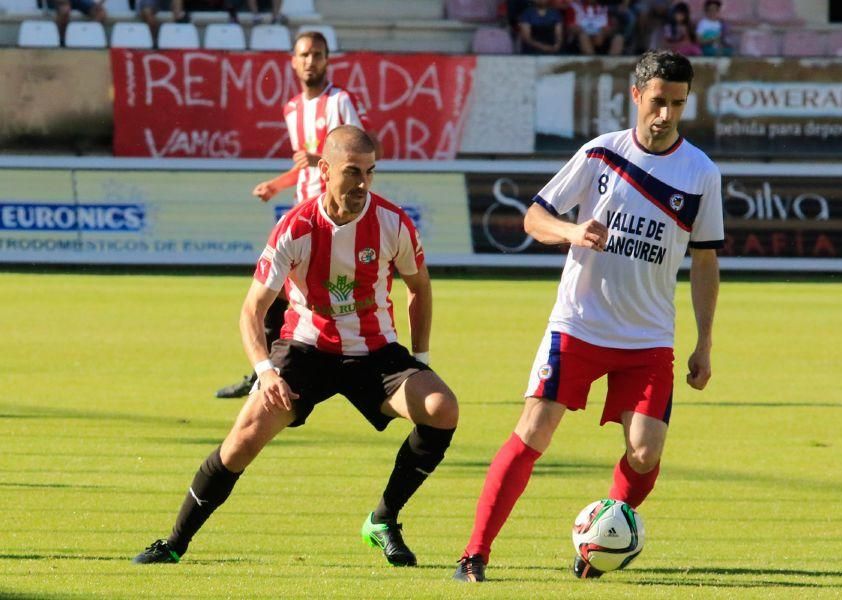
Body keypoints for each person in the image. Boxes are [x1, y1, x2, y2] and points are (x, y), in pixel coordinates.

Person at [452, 50, 723, 582]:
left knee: (644, 453)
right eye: (658, 102)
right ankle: (474, 554)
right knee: (534, 431)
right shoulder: (602, 154)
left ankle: (600, 540)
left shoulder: (701, 174)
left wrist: (704, 342)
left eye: (677, 104)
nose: (665, 115)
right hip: (578, 323)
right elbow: (534, 217)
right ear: (636, 95)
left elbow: (706, 261)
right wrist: (573, 232)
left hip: (647, 337)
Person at [133, 126, 458, 567]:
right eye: (352, 172)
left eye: (370, 172)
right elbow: (252, 310)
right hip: (305, 349)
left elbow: (418, 286)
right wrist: (266, 371)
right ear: (324, 170)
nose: (363, 184)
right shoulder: (295, 228)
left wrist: (420, 362)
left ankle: (383, 520)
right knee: (242, 440)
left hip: (376, 354)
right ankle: (173, 542)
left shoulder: (392, 222)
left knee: (442, 408)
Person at [215, 30, 376, 399]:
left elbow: (364, 150)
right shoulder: (292, 109)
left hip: (333, 218)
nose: (310, 61)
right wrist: (277, 184)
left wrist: (322, 157)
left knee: (301, 296)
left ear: (327, 60)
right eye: (304, 54)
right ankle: (265, 371)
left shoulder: (340, 102)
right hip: (301, 217)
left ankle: (277, 372)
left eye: (317, 54)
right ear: (293, 60)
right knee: (276, 295)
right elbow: (307, 166)